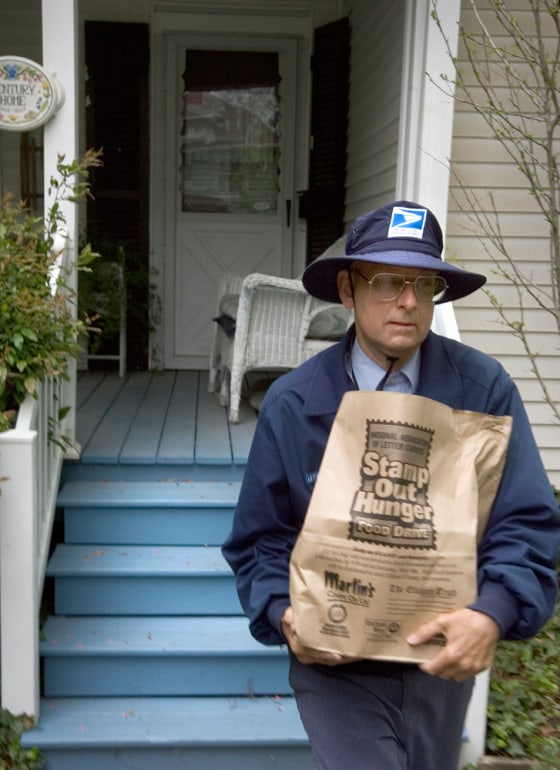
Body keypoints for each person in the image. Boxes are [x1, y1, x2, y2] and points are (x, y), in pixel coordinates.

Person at [221, 200, 560, 770]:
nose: (408, 301)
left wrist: (494, 611)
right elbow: (261, 539)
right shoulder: (295, 402)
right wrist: (284, 611)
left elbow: (522, 520)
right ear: (349, 290)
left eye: (423, 285)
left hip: (439, 660)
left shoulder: (483, 389)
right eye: (386, 282)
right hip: (336, 662)